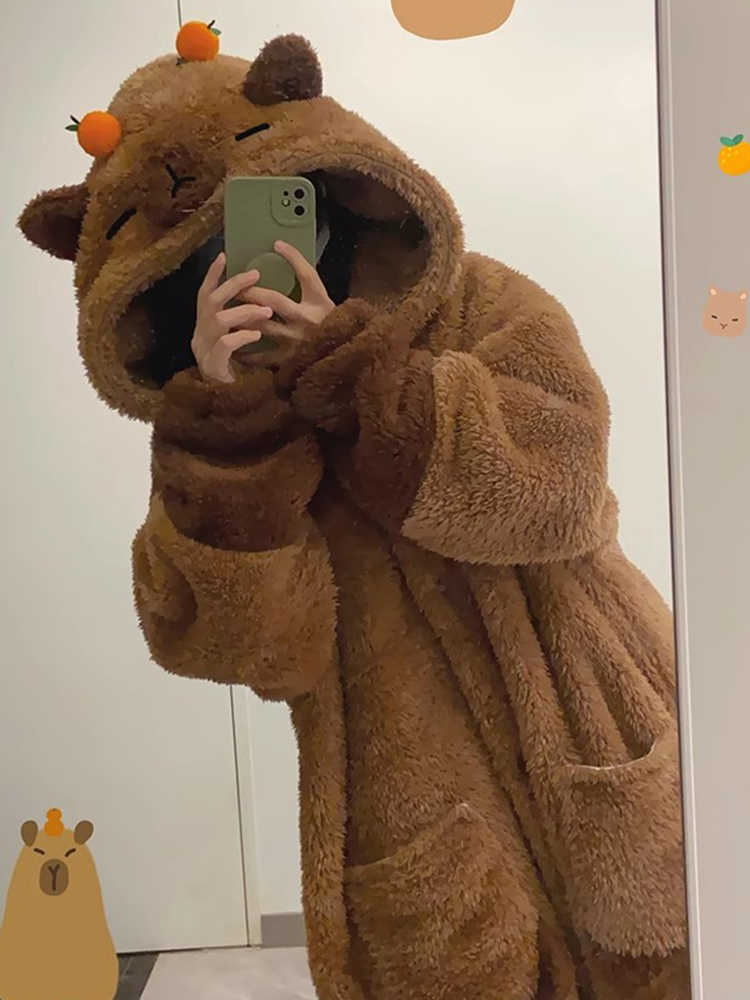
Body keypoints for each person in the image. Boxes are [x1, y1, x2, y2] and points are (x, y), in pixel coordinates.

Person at [19, 33, 690, 1000]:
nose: (240, 257)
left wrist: (369, 383)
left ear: (324, 186)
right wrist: (231, 436)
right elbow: (249, 652)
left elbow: (566, 485)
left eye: (261, 212)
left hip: (593, 707)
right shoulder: (218, 425)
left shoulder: (477, 299)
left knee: (671, 962)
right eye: (201, 248)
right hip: (410, 793)